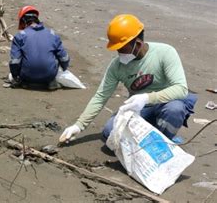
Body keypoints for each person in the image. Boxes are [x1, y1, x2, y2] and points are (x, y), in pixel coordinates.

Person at [60, 14, 197, 144]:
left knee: (175, 109)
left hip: (165, 105)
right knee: (109, 131)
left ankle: (166, 140)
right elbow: (101, 96)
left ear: (137, 43)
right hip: (139, 110)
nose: (119, 53)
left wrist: (146, 98)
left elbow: (181, 89)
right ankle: (148, 134)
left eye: (122, 48)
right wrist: (79, 125)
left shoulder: (165, 52)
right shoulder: (117, 66)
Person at [8, 5, 70, 90]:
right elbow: (64, 58)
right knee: (54, 56)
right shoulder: (52, 34)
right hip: (49, 75)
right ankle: (50, 82)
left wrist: (15, 76)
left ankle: (26, 82)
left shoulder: (20, 36)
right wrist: (64, 69)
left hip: (27, 76)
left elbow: (15, 61)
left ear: (23, 21)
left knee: (21, 57)